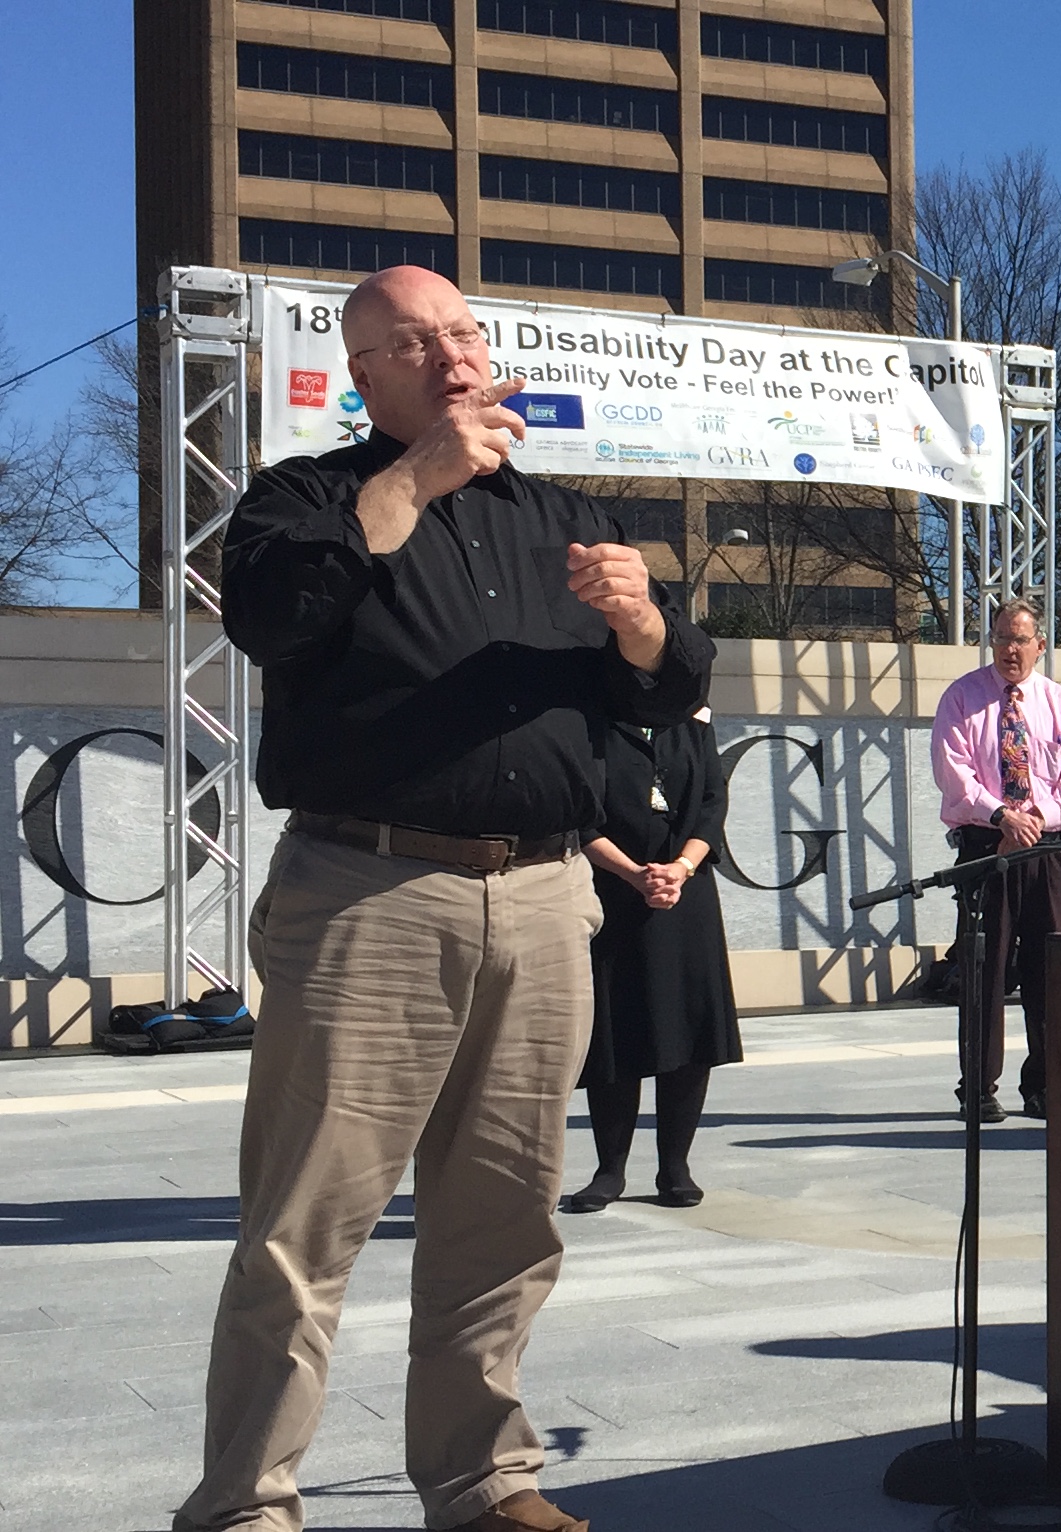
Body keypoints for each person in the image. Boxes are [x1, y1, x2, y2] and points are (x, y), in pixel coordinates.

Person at [185, 265, 713, 1532]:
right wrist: (416, 478)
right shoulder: (305, 498)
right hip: (368, 889)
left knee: (503, 1220)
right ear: (364, 376)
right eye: (413, 343)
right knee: (304, 1227)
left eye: (464, 332)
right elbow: (272, 616)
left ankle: (484, 1481)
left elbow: (668, 686)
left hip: (540, 899)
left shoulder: (566, 514)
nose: (452, 356)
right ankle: (246, 1501)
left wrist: (640, 619)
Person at [562, 707, 742, 1216]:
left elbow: (711, 802)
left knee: (687, 1025)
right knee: (616, 1029)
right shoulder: (591, 720)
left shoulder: (694, 723)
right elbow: (580, 810)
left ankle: (675, 1167)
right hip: (616, 889)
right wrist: (633, 874)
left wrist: (681, 868)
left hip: (685, 889)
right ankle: (609, 1169)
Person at [930, 597, 1061, 1122]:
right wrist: (1002, 816)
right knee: (985, 971)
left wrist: (1033, 819)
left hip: (1046, 849)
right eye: (1001, 638)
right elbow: (953, 772)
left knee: (1051, 972)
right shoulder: (961, 698)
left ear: (1040, 645)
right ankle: (977, 1088)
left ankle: (1043, 1085)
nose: (1010, 649)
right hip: (985, 847)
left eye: (1020, 639)